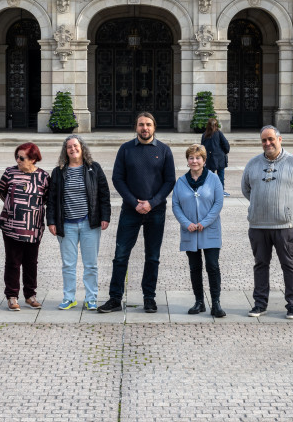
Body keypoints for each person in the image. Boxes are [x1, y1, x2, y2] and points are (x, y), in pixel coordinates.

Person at [98, 112, 175, 314]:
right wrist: (135, 203)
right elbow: (117, 178)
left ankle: (149, 298)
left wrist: (152, 203)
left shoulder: (164, 150)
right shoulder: (125, 149)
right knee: (121, 255)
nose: (145, 128)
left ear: (154, 127)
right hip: (130, 211)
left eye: (148, 124)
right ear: (136, 127)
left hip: (156, 211)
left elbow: (170, 181)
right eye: (141, 124)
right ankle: (115, 298)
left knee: (153, 257)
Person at [241, 125, 293, 319]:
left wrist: (288, 208)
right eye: (264, 140)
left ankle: (292, 305)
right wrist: (261, 205)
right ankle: (259, 303)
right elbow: (246, 189)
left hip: (285, 226)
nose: (267, 143)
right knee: (260, 265)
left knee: (289, 264)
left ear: (280, 140)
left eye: (271, 139)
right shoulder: (253, 163)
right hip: (258, 225)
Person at [47, 135, 111, 311]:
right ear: (65, 151)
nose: (73, 149)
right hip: (66, 224)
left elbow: (104, 194)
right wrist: (51, 221)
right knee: (68, 264)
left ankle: (91, 298)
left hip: (89, 223)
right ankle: (69, 298)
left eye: (76, 146)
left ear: (82, 148)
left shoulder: (94, 168)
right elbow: (51, 199)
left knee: (91, 264)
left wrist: (105, 216)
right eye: (69, 147)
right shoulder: (58, 172)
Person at [171, 144, 226, 318]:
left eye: (198, 158)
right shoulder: (181, 182)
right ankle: (199, 302)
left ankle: (216, 303)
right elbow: (175, 205)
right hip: (190, 231)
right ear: (187, 161)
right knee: (195, 267)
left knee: (212, 266)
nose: (194, 161)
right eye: (191, 158)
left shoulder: (213, 179)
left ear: (204, 160)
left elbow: (218, 203)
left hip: (209, 229)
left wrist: (205, 222)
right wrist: (186, 223)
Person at [0, 142, 50, 311]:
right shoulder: (9, 172)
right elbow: (2, 192)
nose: (18, 160)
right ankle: (12, 296)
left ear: (33, 159)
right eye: (17, 157)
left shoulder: (43, 177)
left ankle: (30, 295)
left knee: (31, 263)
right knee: (12, 262)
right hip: (12, 226)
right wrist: (14, 209)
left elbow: (46, 198)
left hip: (33, 227)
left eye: (22, 158)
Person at [200, 118, 231, 197]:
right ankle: (220, 191)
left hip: (209, 158)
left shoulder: (204, 135)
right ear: (216, 125)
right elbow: (226, 144)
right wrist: (225, 152)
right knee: (220, 175)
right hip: (219, 158)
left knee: (209, 175)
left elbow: (202, 147)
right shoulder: (218, 133)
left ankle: (209, 190)